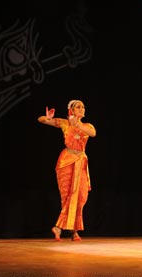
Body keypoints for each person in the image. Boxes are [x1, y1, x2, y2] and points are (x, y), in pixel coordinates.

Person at [37, 99, 96, 241]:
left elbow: (92, 133)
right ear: (72, 110)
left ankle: (59, 227)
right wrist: (47, 118)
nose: (81, 109)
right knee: (68, 196)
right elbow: (41, 119)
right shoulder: (65, 123)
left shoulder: (87, 125)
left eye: (83, 106)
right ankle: (73, 232)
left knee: (81, 196)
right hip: (66, 161)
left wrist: (78, 124)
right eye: (78, 107)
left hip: (80, 161)